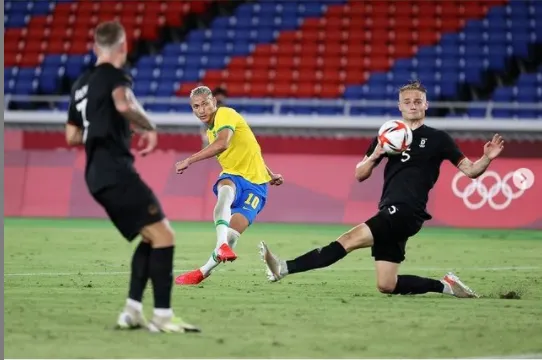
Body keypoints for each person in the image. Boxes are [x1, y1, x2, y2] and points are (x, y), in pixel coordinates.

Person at [259, 80, 505, 298]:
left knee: (349, 239)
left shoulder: (438, 138)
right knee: (387, 284)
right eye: (407, 101)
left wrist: (487, 159)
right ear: (399, 106)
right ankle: (446, 286)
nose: (412, 105)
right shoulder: (387, 136)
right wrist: (377, 152)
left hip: (408, 210)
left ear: (426, 105)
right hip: (390, 209)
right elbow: (360, 174)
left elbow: (471, 171)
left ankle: (284, 268)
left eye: (417, 101)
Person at [64, 20, 200, 333]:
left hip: (94, 174)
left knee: (150, 236)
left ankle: (132, 311)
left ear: (96, 47)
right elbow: (123, 103)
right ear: (123, 47)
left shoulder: (81, 83)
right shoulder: (115, 76)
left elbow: (71, 136)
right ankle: (163, 317)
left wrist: (100, 127)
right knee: (165, 235)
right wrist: (148, 125)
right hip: (115, 170)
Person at [174, 85, 284, 285]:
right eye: (196, 106)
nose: (201, 110)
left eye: (205, 104)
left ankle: (204, 270)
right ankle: (220, 247)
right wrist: (271, 173)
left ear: (214, 103)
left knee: (233, 235)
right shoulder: (211, 132)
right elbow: (250, 147)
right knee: (225, 190)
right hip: (234, 176)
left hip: (256, 187)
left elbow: (223, 143)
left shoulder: (225, 114)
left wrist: (189, 160)